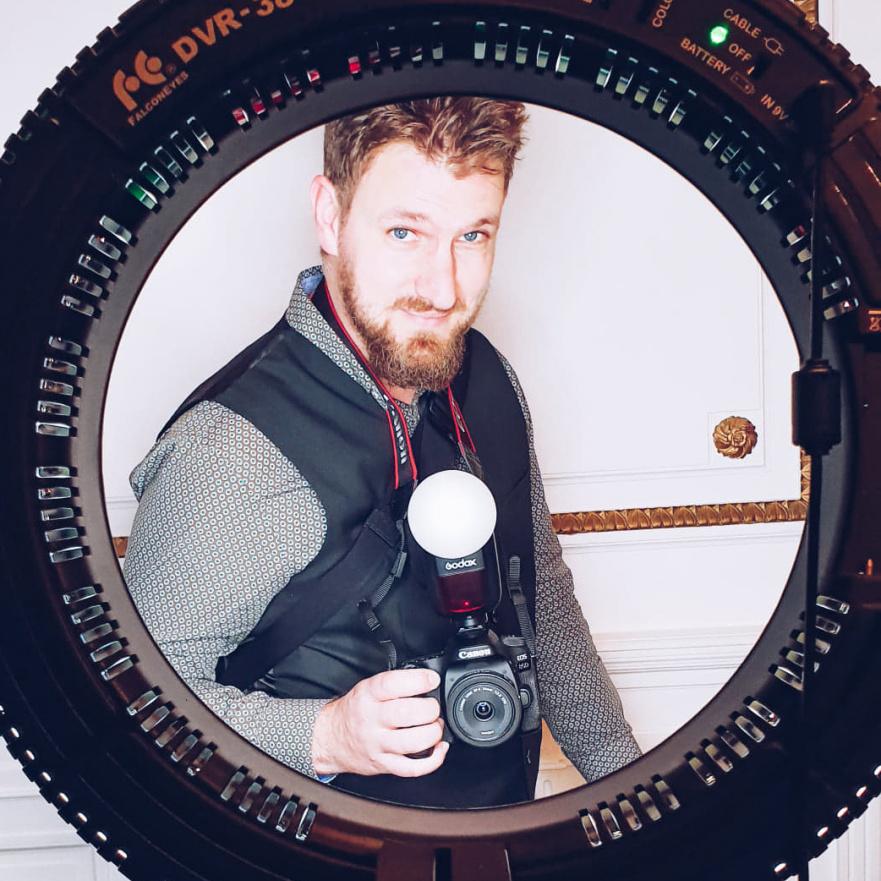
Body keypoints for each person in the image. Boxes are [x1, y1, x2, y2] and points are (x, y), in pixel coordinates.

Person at [124, 96, 641, 809]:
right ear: (329, 216)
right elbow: (134, 709)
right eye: (405, 232)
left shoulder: (488, 379)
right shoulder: (230, 448)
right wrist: (322, 736)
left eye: (472, 236)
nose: (443, 289)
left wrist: (637, 798)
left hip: (499, 838)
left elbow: (540, 599)